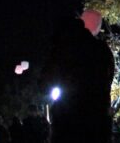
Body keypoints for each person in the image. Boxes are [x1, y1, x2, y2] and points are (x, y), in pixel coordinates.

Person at [42, 15, 115, 143]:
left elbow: (46, 81)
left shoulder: (63, 49)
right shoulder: (101, 49)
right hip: (98, 117)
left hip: (68, 118)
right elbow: (109, 76)